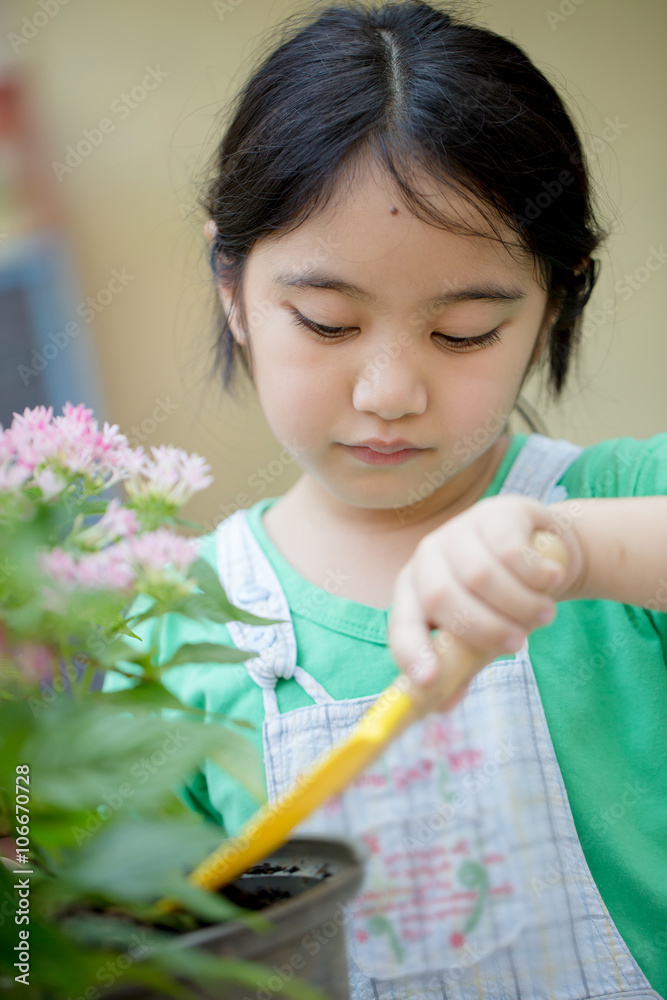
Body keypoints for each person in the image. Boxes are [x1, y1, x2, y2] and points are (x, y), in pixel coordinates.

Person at [104, 1, 667, 995]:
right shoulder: (171, 631)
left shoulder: (620, 505)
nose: (389, 393)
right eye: (325, 323)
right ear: (231, 286)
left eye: (461, 332)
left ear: (554, 301)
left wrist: (574, 548)